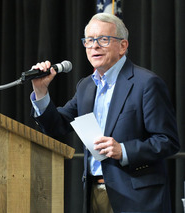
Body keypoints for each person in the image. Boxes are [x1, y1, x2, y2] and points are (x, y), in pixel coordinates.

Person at [29, 13, 180, 213]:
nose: (94, 46)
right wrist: (41, 91)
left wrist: (124, 150)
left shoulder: (146, 84)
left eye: (103, 39)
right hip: (93, 193)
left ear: (123, 46)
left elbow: (167, 141)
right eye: (89, 40)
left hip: (137, 198)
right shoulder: (86, 86)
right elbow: (57, 126)